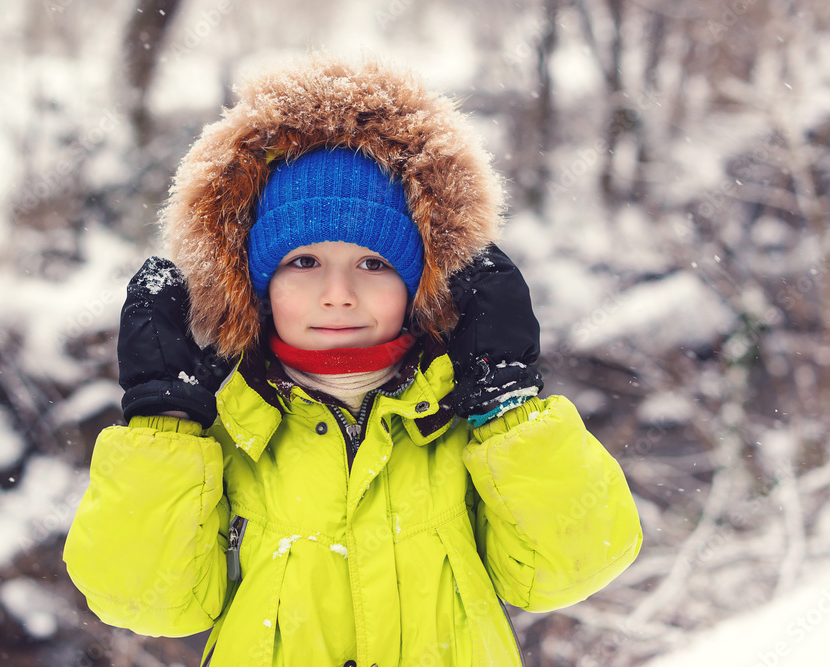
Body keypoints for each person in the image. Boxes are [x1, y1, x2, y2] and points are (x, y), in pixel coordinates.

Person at [63, 54, 642, 667]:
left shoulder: (459, 422)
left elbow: (572, 567)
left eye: (374, 263)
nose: (338, 293)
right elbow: (146, 603)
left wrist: (507, 403)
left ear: (421, 282)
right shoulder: (225, 427)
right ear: (254, 283)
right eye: (303, 262)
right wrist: (164, 425)